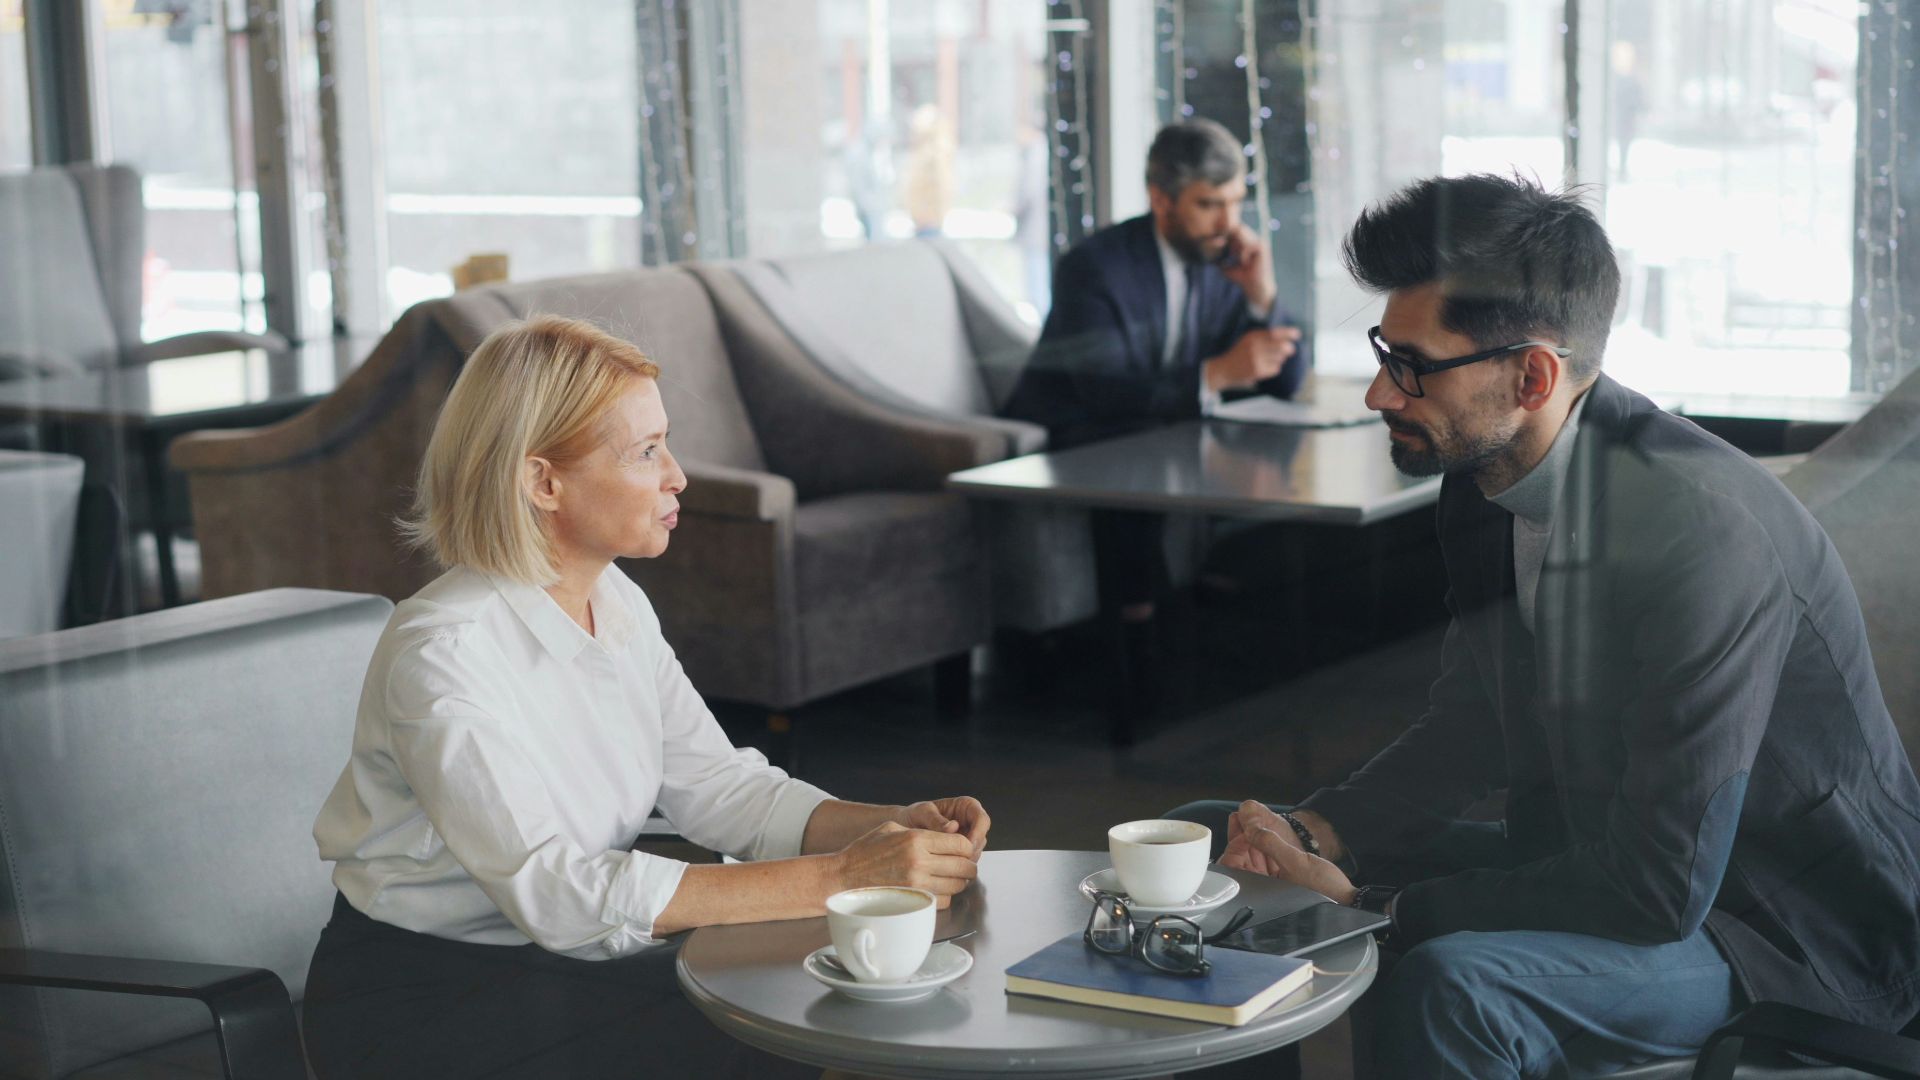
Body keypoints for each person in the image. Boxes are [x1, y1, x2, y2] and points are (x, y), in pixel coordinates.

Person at [1169, 174, 1920, 1077]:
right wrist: (1318, 830)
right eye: (1384, 353)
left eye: (1412, 365)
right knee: (1204, 841)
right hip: (1600, 854)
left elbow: (1659, 890)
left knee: (1453, 984)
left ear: (1532, 376)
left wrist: (1372, 901)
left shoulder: (1703, 532)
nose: (1378, 394)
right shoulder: (1481, 477)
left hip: (1781, 925)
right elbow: (1473, 724)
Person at [303, 316, 993, 1078]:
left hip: (560, 965)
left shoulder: (615, 600)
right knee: (798, 1028)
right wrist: (842, 877)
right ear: (542, 481)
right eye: (646, 451)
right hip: (423, 1003)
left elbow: (722, 788)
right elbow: (559, 895)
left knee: (829, 1002)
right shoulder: (443, 653)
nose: (678, 476)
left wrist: (887, 828)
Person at [1001, 118, 1311, 671]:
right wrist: (1216, 374)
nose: (1228, 224)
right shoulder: (1095, 267)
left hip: (1162, 421)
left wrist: (1262, 297)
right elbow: (1102, 391)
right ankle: (1137, 640)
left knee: (1254, 444)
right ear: (1161, 199)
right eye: (1209, 204)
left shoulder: (1223, 263)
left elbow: (1284, 383)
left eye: (1235, 203)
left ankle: (1238, 609)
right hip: (1076, 429)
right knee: (1137, 443)